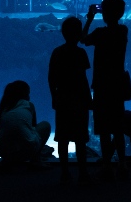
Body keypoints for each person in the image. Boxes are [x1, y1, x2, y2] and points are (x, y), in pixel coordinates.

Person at [82, 0, 129, 180]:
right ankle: (122, 163)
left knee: (103, 127)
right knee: (118, 126)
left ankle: (107, 165)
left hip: (102, 85)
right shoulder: (123, 30)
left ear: (104, 13)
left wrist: (90, 17)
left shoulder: (100, 33)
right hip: (117, 84)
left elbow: (83, 39)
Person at [48, 17, 92, 184]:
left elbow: (51, 78)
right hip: (79, 99)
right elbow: (83, 78)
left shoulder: (57, 52)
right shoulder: (81, 53)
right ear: (79, 33)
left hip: (63, 98)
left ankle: (65, 172)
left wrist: (54, 96)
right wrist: (89, 99)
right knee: (80, 138)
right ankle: (83, 172)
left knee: (63, 137)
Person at [0, 80, 51, 168]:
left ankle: (5, 161)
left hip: (4, 152)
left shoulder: (5, 106)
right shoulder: (29, 105)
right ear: (25, 94)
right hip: (27, 152)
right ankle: (36, 160)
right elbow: (33, 126)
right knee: (45, 125)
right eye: (28, 93)